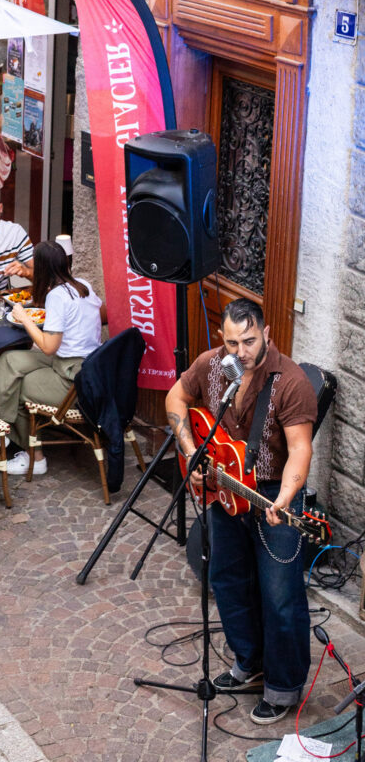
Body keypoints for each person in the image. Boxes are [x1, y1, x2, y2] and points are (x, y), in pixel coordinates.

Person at [165, 298, 317, 726]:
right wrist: (190, 451)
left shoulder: (291, 382)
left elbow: (300, 449)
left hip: (271, 492)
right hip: (223, 488)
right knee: (226, 579)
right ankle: (249, 665)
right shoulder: (213, 365)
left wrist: (286, 497)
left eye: (249, 341)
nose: (241, 351)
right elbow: (176, 397)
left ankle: (283, 687)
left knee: (280, 594)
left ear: (267, 333)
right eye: (232, 341)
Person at [0, 240, 103, 474]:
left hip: (72, 377)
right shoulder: (82, 285)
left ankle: (34, 458)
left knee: (13, 385)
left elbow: (48, 347)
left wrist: (24, 317)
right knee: (9, 360)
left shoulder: (57, 296)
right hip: (84, 363)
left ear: (43, 269)